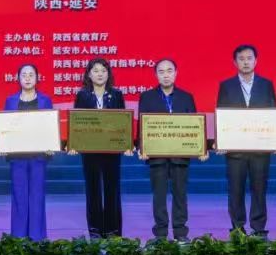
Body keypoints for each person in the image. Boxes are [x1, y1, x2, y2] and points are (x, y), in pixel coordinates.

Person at [138, 59, 207, 241]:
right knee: (159, 196)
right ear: (156, 75)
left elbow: (195, 125)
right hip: (156, 155)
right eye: (161, 72)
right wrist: (142, 147)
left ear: (176, 73)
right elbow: (142, 125)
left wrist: (201, 148)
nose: (166, 75)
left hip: (180, 154)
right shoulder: (147, 97)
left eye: (169, 71)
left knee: (180, 195)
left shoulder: (186, 97)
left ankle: (180, 232)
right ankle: (160, 234)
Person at [215, 44, 276, 237]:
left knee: (259, 189)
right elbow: (222, 114)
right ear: (235, 62)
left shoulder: (266, 84)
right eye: (241, 59)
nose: (245, 62)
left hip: (260, 149)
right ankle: (237, 228)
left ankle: (258, 228)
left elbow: (273, 112)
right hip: (236, 150)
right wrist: (221, 141)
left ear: (256, 61)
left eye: (249, 58)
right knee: (236, 189)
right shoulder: (226, 85)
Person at [72, 58, 131, 238]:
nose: (100, 74)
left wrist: (126, 145)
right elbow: (77, 124)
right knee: (93, 190)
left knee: (112, 189)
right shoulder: (82, 95)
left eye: (103, 71)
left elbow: (123, 123)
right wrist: (74, 144)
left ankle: (113, 231)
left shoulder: (117, 94)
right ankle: (95, 230)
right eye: (96, 71)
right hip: (90, 151)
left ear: (108, 74)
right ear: (89, 74)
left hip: (111, 151)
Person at [5, 64, 53, 240]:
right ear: (18, 78)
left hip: (38, 157)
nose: (27, 78)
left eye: (31, 75)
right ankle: (18, 238)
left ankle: (37, 238)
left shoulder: (45, 100)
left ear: (37, 78)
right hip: (17, 157)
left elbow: (49, 125)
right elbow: (6, 127)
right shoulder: (10, 100)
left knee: (37, 197)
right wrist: (3, 145)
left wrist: (50, 144)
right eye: (24, 75)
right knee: (19, 197)